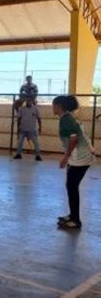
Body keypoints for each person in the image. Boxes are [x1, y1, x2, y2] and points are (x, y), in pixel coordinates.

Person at [53, 95, 95, 230]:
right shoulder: (69, 117)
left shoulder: (66, 119)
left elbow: (74, 139)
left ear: (59, 106)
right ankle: (72, 215)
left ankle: (76, 220)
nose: (52, 107)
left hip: (79, 157)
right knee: (71, 186)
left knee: (72, 186)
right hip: (80, 156)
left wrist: (66, 157)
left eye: (54, 105)